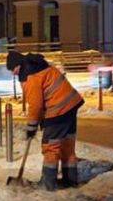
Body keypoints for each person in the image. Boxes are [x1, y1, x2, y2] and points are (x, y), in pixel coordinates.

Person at [8, 51, 84, 191]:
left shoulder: (30, 76)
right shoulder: (39, 66)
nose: (13, 73)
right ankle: (70, 180)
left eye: (13, 69)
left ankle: (48, 184)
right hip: (71, 104)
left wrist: (31, 127)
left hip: (58, 110)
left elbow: (36, 105)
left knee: (50, 146)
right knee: (67, 144)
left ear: (18, 65)